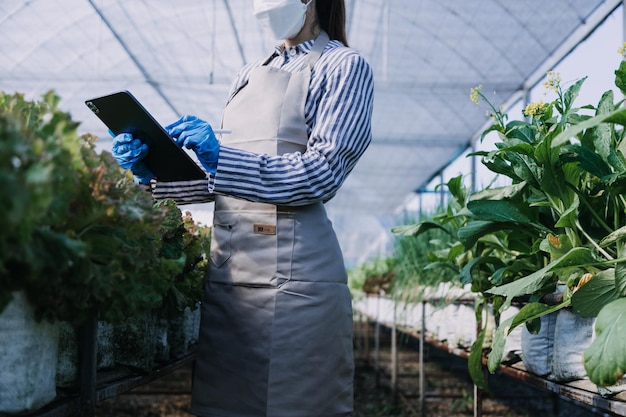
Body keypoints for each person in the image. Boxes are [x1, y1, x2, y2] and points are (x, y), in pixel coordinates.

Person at [111, 0, 373, 415]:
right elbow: (226, 182)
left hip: (295, 284)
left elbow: (323, 173)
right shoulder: (250, 73)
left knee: (292, 404)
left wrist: (222, 158)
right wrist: (152, 173)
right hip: (230, 281)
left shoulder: (343, 66)